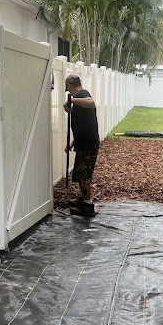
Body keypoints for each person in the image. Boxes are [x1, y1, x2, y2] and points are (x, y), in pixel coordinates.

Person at [64, 73, 99, 217]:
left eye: (67, 88)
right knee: (80, 175)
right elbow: (83, 125)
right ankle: (83, 200)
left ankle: (88, 207)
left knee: (84, 178)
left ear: (70, 86)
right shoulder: (79, 100)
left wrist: (71, 100)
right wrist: (73, 143)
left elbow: (91, 102)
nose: (68, 91)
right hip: (83, 144)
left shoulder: (82, 94)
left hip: (88, 146)